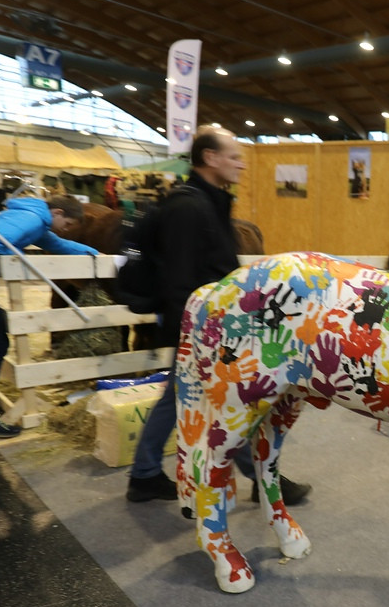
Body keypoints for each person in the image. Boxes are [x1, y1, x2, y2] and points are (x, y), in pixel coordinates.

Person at [126, 126, 311, 505]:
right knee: (236, 399)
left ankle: (145, 474)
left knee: (189, 397)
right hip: (201, 327)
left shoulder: (207, 203)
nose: (241, 164)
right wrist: (199, 338)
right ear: (210, 158)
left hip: (210, 324)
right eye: (234, 156)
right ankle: (261, 479)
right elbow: (180, 279)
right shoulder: (188, 208)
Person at [0, 195, 98, 438]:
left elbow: (60, 246)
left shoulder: (34, 221)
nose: (66, 230)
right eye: (68, 224)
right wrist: (13, 254)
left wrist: (93, 252)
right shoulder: (31, 219)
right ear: (57, 212)